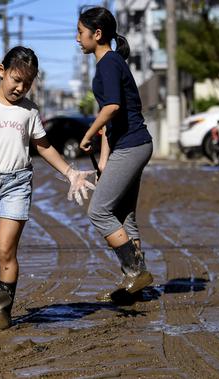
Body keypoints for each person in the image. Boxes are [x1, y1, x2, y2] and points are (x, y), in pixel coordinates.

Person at [0, 46, 96, 330]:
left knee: (5, 252)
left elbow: (44, 147)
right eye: (16, 79)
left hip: (17, 185)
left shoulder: (29, 111)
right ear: (1, 71)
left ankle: (4, 309)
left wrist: (70, 172)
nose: (20, 88)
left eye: (27, 83)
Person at [76, 7, 154, 300]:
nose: (77, 38)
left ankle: (136, 272)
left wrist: (86, 134)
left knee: (99, 211)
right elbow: (111, 119)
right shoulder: (111, 62)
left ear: (97, 34)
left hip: (133, 144)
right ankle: (133, 285)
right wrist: (105, 158)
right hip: (131, 143)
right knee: (124, 215)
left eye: (81, 33)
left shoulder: (108, 63)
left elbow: (112, 108)